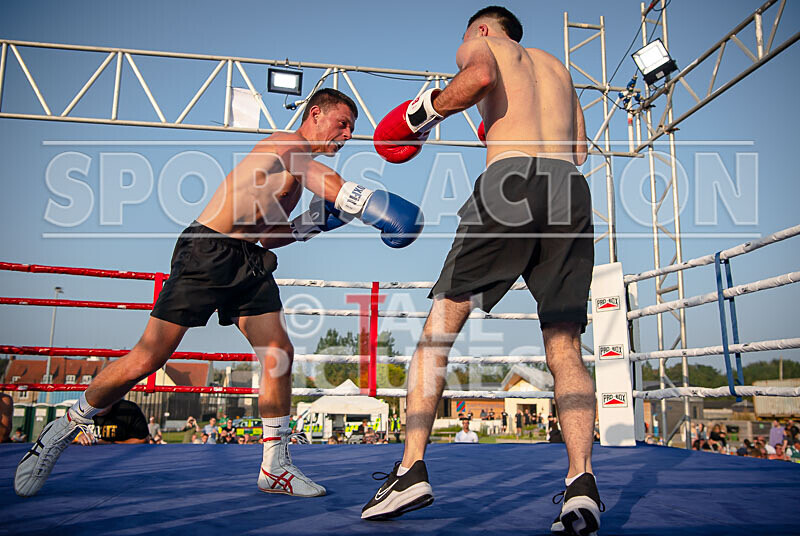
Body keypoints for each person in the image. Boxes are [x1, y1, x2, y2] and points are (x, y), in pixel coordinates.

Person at [14, 88, 424, 499]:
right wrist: (363, 200)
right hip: (207, 251)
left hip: (247, 259)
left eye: (351, 128)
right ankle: (62, 428)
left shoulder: (297, 180)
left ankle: (275, 467)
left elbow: (269, 236)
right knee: (148, 358)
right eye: (343, 123)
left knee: (278, 353)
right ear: (315, 114)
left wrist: (316, 222)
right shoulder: (287, 145)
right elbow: (318, 175)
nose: (348, 134)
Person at [362, 9, 599, 532]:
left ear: (484, 29)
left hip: (510, 181)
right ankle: (581, 483)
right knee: (565, 346)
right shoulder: (558, 68)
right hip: (570, 190)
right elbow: (580, 149)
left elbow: (479, 77)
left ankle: (410, 471)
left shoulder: (483, 45)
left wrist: (421, 114)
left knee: (439, 328)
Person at [73, 399, 149, 445]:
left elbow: (142, 440)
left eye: (104, 399)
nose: (100, 404)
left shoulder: (128, 409)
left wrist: (110, 444)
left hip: (121, 455)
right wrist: (78, 437)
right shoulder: (80, 410)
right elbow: (66, 436)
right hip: (85, 455)